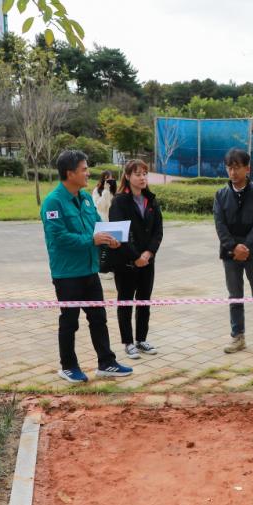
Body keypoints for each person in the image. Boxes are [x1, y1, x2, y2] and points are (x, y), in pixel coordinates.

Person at [40, 150, 133, 382]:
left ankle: (106, 362)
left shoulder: (85, 198)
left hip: (89, 270)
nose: (88, 173)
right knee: (70, 321)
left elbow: (97, 225)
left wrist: (110, 238)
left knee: (98, 318)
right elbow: (58, 237)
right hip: (67, 273)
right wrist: (91, 240)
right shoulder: (53, 202)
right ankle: (68, 366)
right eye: (83, 169)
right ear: (70, 173)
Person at [213, 148, 253, 356]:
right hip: (230, 255)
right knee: (235, 296)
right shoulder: (221, 195)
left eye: (237, 168)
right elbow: (220, 225)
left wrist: (246, 247)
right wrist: (233, 247)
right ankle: (237, 337)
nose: (233, 172)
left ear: (247, 168)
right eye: (229, 168)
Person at [108, 159, 163, 359]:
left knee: (144, 301)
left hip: (147, 261)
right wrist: (135, 256)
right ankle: (128, 342)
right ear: (128, 176)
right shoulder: (120, 201)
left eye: (144, 174)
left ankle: (141, 339)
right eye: (137, 174)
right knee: (125, 301)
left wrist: (148, 254)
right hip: (126, 262)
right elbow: (119, 234)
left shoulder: (151, 200)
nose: (142, 178)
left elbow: (158, 231)